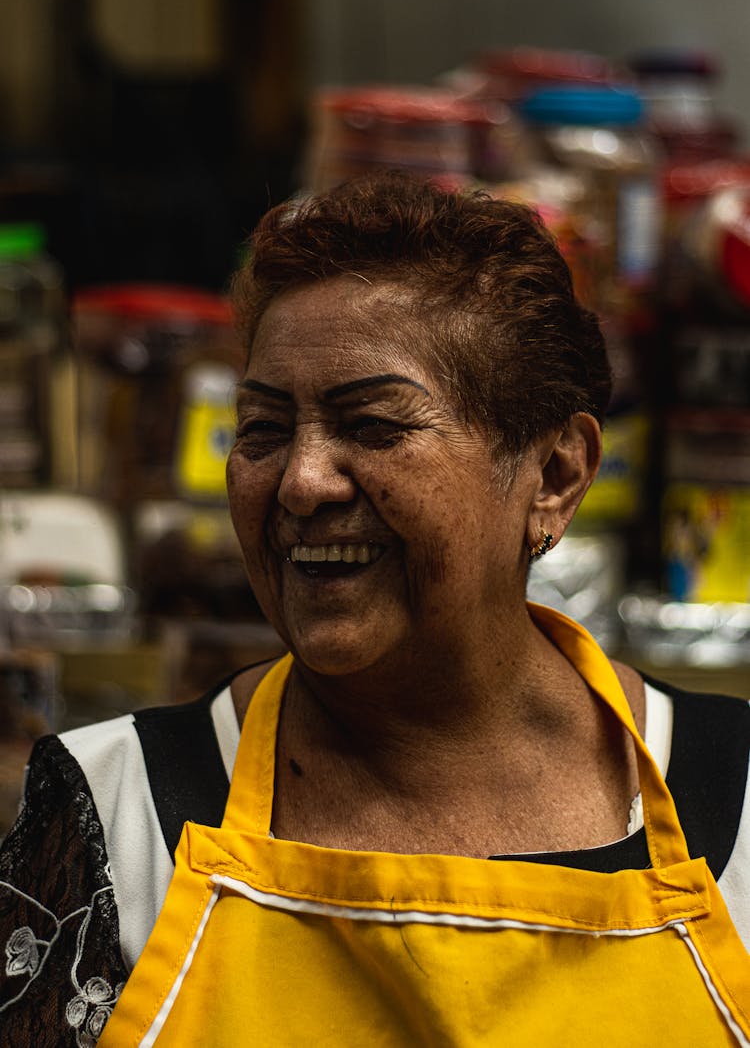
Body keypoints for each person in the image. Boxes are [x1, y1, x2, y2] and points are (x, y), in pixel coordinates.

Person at [2, 171, 749, 1046]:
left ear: (554, 475)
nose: (303, 481)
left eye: (374, 425)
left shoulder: (735, 804)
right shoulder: (114, 808)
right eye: (264, 429)